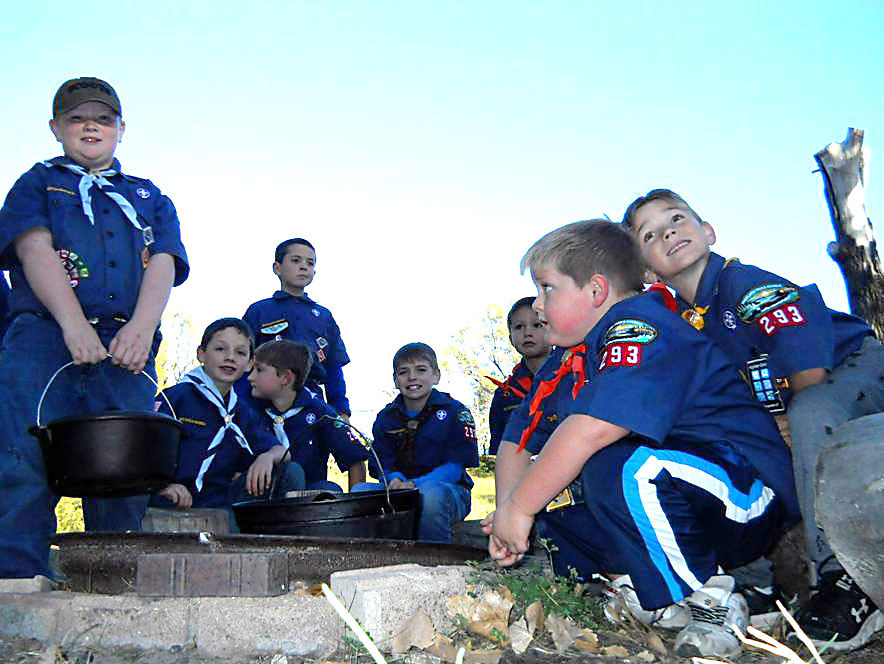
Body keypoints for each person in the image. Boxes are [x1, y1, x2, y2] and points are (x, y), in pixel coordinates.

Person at [486, 220, 799, 659]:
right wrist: (507, 515)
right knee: (554, 527)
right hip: (686, 498)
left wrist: (520, 506)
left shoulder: (639, 324)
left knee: (617, 467)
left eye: (547, 288)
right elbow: (517, 440)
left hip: (746, 494)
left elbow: (592, 429)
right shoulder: (571, 357)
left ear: (596, 291)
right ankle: (661, 595)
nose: (537, 305)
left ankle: (717, 596)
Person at [624, 188, 884, 651]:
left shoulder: (742, 285)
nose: (668, 233)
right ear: (647, 272)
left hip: (853, 369)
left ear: (708, 231)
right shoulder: (684, 323)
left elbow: (809, 370)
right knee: (727, 444)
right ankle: (758, 582)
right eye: (650, 234)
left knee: (809, 413)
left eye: (677, 219)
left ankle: (843, 579)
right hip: (793, 403)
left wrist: (787, 418)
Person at [0, 77, 189, 579]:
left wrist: (143, 330)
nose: (91, 125)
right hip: (44, 339)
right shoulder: (36, 184)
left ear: (121, 129)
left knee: (125, 466)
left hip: (126, 344)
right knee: (25, 458)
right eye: (77, 117)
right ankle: (19, 582)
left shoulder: (150, 196)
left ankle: (111, 579)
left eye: (103, 118)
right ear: (55, 127)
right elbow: (33, 248)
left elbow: (164, 262)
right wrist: (72, 324)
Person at [151, 319, 304, 516]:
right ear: (201, 354)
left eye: (240, 353)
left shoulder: (241, 411)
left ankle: (282, 542)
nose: (230, 357)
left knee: (290, 472)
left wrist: (267, 456)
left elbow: (282, 451)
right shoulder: (176, 397)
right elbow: (145, 448)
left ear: (250, 364)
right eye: (220, 349)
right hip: (176, 498)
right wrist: (163, 486)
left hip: (222, 501)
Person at [356, 342, 480, 543]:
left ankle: (435, 559)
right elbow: (383, 464)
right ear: (395, 380)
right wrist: (394, 480)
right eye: (403, 372)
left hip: (447, 491)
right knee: (358, 492)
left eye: (421, 370)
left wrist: (414, 485)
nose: (412, 377)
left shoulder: (455, 412)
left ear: (436, 376)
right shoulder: (386, 417)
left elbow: (455, 468)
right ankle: (375, 558)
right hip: (399, 491)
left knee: (430, 496)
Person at [241, 238, 351, 417]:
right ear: (277, 268)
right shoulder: (259, 311)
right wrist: (242, 402)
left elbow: (333, 367)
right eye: (296, 260)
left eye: (310, 263)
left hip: (311, 400)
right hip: (263, 401)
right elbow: (244, 360)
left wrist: (341, 409)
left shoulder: (324, 316)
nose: (304, 266)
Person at [248, 339, 367, 492]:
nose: (250, 377)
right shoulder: (250, 410)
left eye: (259, 370)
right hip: (261, 496)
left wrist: (355, 505)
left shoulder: (321, 413)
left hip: (305, 498)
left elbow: (354, 458)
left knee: (329, 490)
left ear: (285, 377)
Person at [486, 297, 550, 455]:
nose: (527, 333)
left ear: (553, 328)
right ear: (510, 339)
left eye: (537, 325)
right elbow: (498, 450)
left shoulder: (575, 375)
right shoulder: (504, 394)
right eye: (519, 327)